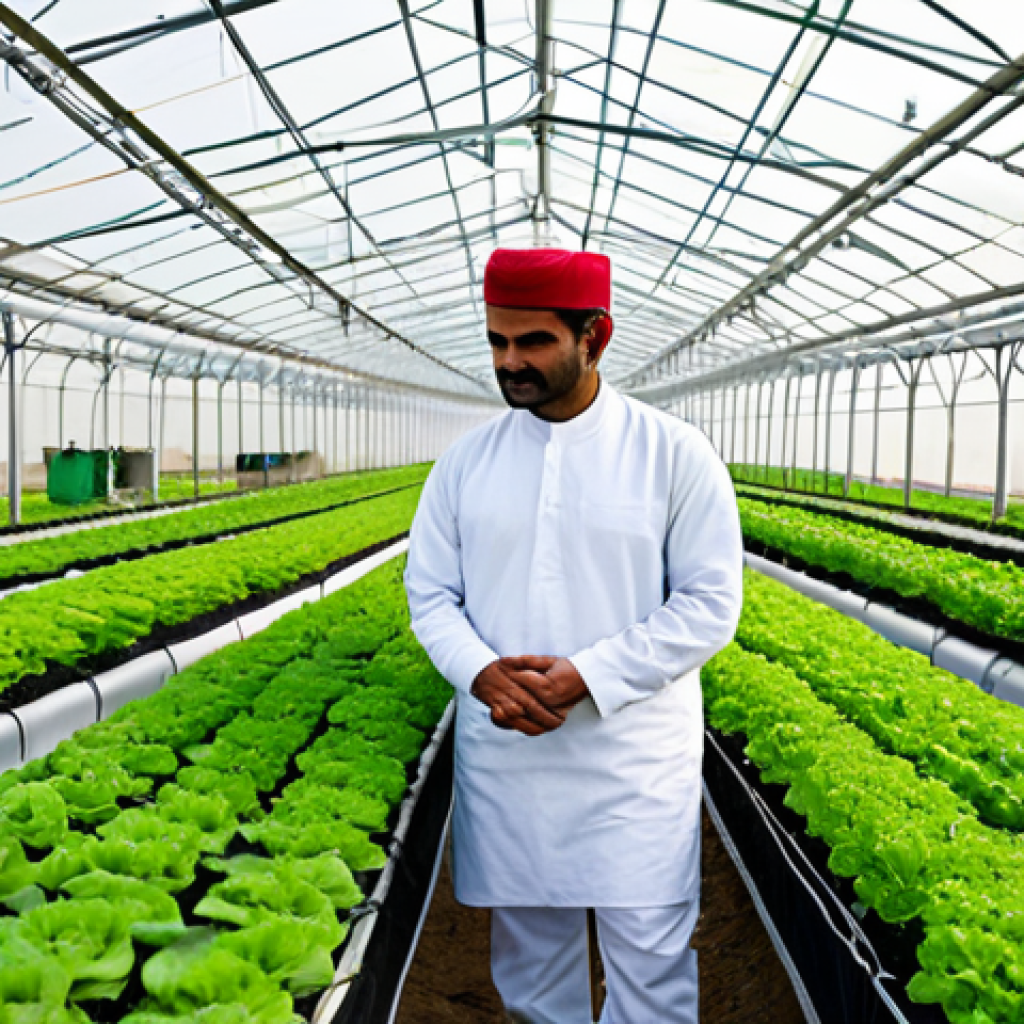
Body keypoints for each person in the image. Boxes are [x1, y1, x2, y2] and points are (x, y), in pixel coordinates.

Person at [404, 247, 744, 1024]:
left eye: (533, 341)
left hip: (633, 763)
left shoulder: (674, 454)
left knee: (651, 975)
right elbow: (431, 595)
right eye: (497, 341)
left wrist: (587, 675)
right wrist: (481, 672)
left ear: (596, 336)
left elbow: (708, 604)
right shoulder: (464, 464)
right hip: (511, 759)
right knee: (531, 977)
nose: (509, 362)